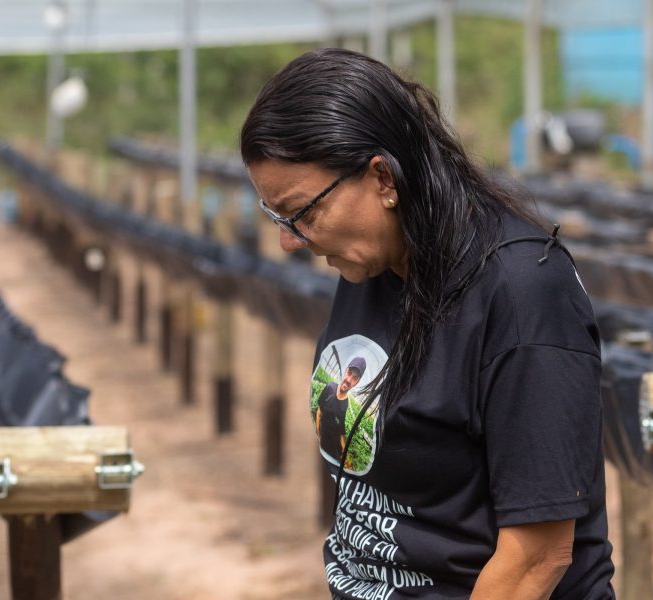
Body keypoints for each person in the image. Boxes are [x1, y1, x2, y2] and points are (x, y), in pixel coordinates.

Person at [241, 48, 615, 599]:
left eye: (303, 214)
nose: (288, 240)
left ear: (382, 177)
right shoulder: (371, 264)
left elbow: (536, 558)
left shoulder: (521, 293)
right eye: (277, 217)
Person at [316, 356, 367, 463]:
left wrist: (344, 450)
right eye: (349, 373)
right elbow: (319, 411)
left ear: (357, 383)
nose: (349, 380)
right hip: (322, 436)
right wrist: (317, 433)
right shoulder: (330, 387)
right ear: (345, 371)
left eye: (354, 378)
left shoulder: (346, 403)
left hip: (333, 444)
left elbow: (341, 427)